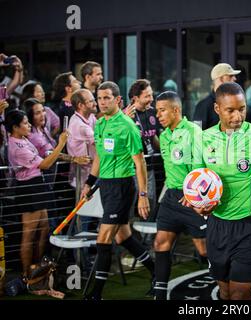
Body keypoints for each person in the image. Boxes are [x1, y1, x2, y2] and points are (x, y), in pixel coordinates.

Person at [184, 82, 251, 300]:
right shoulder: (202, 140)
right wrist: (198, 205)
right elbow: (195, 185)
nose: (237, 116)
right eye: (230, 110)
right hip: (217, 227)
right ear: (217, 109)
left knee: (240, 294)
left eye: (242, 109)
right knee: (225, 292)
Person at [81, 81, 154, 300]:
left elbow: (140, 163)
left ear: (118, 100)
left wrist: (143, 195)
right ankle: (158, 273)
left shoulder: (128, 126)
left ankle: (96, 294)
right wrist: (89, 183)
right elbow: (99, 158)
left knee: (103, 240)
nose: (102, 102)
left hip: (123, 187)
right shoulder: (100, 124)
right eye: (99, 98)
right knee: (123, 238)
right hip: (106, 186)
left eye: (107, 98)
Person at [152, 91, 207, 300]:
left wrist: (193, 194)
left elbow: (200, 168)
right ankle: (159, 295)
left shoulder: (194, 132)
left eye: (162, 110)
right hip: (171, 198)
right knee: (160, 243)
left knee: (204, 251)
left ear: (176, 110)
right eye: (157, 111)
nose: (158, 115)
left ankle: (228, 284)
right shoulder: (164, 136)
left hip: (192, 197)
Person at [5, 110, 69, 274]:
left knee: (43, 228)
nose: (28, 126)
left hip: (37, 185)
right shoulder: (15, 145)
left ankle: (37, 269)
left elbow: (43, 160)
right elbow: (45, 165)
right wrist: (61, 143)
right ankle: (27, 274)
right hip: (28, 188)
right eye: (25, 123)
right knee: (29, 233)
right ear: (15, 127)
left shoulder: (24, 139)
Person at [125, 79, 160, 214]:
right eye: (147, 96)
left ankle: (147, 236)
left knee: (149, 205)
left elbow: (153, 137)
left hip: (148, 168)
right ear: (135, 98)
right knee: (129, 207)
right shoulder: (125, 116)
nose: (151, 99)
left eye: (151, 95)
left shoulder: (152, 112)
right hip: (130, 170)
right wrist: (125, 121)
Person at [67, 89, 98, 232]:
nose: (95, 103)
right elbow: (101, 142)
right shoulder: (79, 125)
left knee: (93, 218)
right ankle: (79, 254)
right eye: (91, 101)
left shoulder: (90, 116)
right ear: (81, 105)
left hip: (92, 176)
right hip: (82, 180)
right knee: (82, 220)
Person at [193, 63, 240, 130]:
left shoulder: (234, 102)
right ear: (221, 78)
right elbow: (196, 134)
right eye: (230, 76)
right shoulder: (203, 105)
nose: (235, 79)